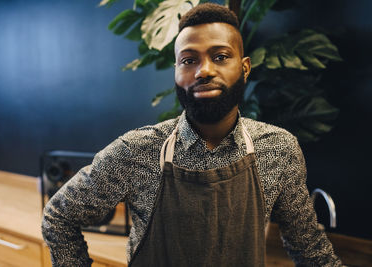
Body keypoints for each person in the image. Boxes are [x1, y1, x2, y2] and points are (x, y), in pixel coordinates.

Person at [42, 3, 343, 266]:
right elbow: (59, 216)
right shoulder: (137, 151)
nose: (203, 71)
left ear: (245, 66)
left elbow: (311, 249)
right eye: (189, 60)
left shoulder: (277, 149)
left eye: (221, 56)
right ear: (176, 71)